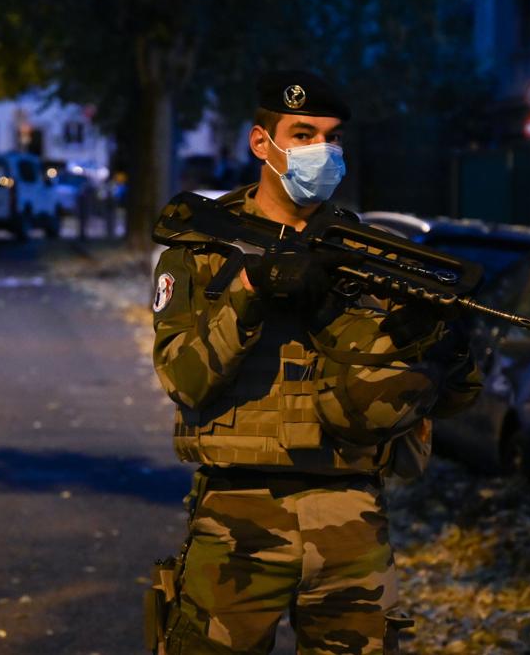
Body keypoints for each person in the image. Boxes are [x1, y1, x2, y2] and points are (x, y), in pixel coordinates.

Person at [150, 70, 480, 654]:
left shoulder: (373, 256)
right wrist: (252, 287)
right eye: (303, 135)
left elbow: (449, 401)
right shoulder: (204, 251)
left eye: (331, 139)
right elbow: (184, 379)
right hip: (238, 514)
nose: (320, 152)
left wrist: (440, 355)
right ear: (261, 143)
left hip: (350, 511)